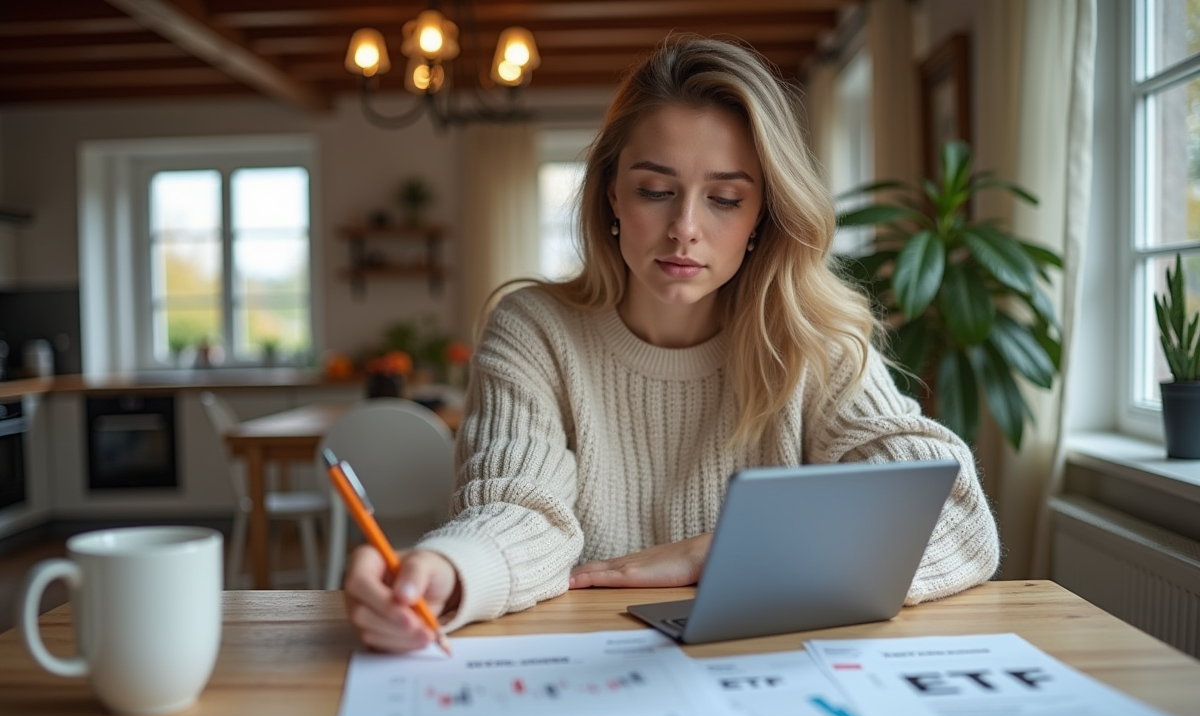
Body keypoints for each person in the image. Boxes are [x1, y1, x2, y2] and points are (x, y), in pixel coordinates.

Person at [344, 35, 1000, 653]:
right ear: (612, 197)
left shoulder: (813, 339)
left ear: (761, 218)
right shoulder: (535, 328)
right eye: (656, 191)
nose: (685, 228)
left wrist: (721, 554)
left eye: (724, 198)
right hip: (585, 675)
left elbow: (957, 518)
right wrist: (447, 571)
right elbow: (517, 510)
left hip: (768, 677)